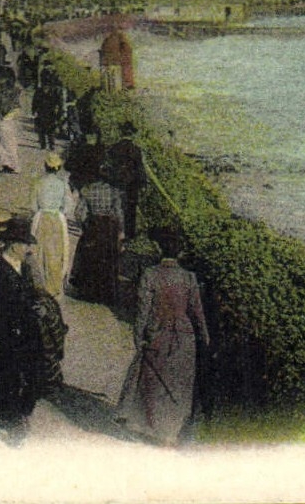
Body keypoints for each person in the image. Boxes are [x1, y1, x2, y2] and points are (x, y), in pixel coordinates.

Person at [117, 227, 210, 446]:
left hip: (158, 332)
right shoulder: (189, 278)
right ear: (180, 253)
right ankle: (171, 432)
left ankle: (150, 427)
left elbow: (142, 311)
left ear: (159, 249)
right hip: (183, 336)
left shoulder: (151, 274)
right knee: (178, 384)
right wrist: (205, 337)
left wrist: (138, 336)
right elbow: (197, 311)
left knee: (152, 381)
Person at [0, 220, 44, 442]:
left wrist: (37, 306)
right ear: (13, 245)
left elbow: (28, 295)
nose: (28, 249)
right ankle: (12, 422)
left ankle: (21, 413)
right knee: (5, 379)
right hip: (3, 336)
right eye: (25, 244)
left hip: (27, 332)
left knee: (34, 375)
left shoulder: (22, 267)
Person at [70, 168, 125, 306]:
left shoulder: (87, 190)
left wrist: (84, 225)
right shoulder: (114, 192)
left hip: (93, 225)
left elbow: (78, 212)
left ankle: (87, 291)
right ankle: (104, 294)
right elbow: (118, 214)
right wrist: (120, 231)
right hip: (108, 228)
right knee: (107, 259)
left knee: (89, 257)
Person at [30, 152, 72, 298]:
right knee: (56, 252)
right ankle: (54, 285)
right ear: (58, 168)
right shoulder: (63, 184)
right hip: (57, 220)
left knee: (40, 251)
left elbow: (33, 206)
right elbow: (67, 207)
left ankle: (40, 284)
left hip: (41, 218)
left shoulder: (39, 182)